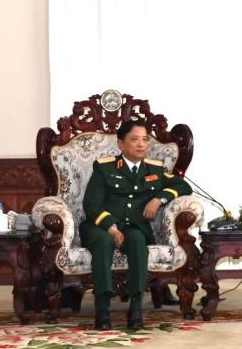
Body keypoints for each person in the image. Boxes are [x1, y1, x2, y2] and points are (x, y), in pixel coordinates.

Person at [79, 120, 192, 329]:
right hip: (100, 226)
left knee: (138, 240)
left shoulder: (154, 169)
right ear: (121, 144)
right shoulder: (104, 168)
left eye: (144, 139)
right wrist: (112, 228)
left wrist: (159, 199)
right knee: (103, 242)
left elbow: (183, 185)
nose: (141, 144)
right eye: (135, 139)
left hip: (133, 227)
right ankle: (102, 308)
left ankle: (136, 306)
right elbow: (91, 205)